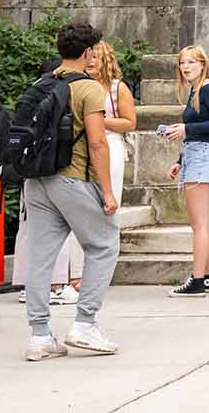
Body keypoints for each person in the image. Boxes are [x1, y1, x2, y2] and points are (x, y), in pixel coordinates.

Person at [21, 21, 120, 361]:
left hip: (36, 181)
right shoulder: (90, 89)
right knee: (104, 243)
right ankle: (85, 323)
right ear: (88, 53)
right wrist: (107, 192)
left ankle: (39, 335)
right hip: (73, 179)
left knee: (41, 257)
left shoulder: (42, 83)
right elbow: (97, 142)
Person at [52, 42, 136, 303]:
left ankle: (93, 272)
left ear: (105, 59)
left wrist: (97, 119)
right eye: (88, 57)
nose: (90, 62)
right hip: (80, 150)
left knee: (105, 209)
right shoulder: (75, 85)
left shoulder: (116, 88)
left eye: (96, 57)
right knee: (81, 209)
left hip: (108, 146)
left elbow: (129, 122)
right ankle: (76, 273)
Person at [160, 45, 209, 297]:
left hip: (202, 155)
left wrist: (187, 131)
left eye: (191, 62)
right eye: (181, 63)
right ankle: (207, 278)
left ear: (203, 64)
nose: (185, 67)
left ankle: (197, 280)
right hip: (196, 154)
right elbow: (199, 124)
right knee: (204, 223)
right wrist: (180, 159)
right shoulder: (196, 90)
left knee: (198, 224)